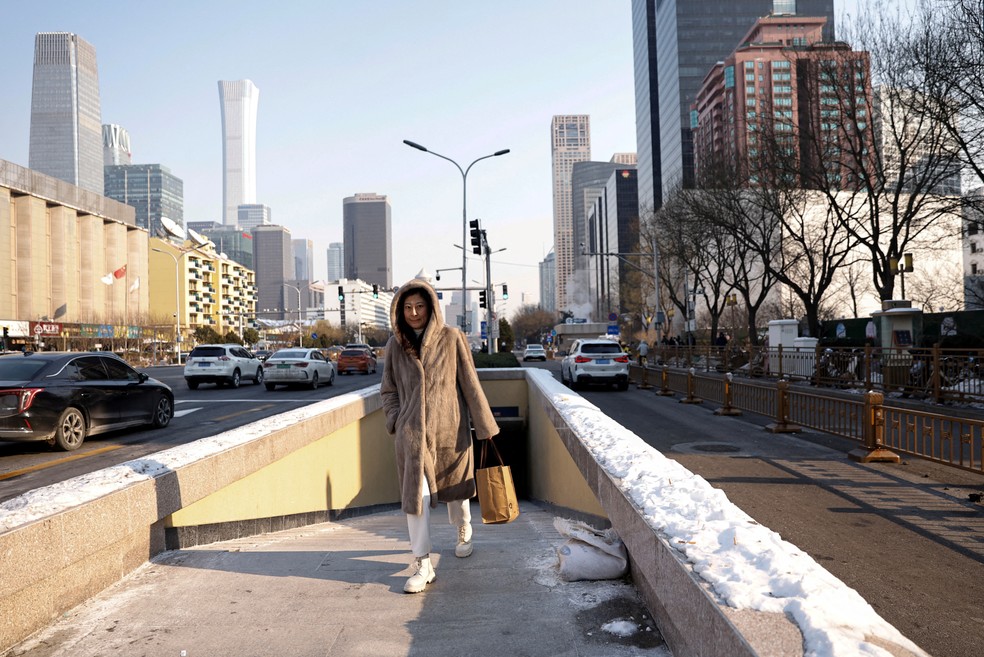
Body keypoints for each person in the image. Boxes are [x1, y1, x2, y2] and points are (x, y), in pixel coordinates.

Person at [380, 278, 500, 594]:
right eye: (407, 307)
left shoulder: (452, 338)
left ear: (431, 306)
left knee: (456, 492)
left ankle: (463, 529)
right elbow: (388, 390)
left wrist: (485, 428)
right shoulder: (395, 345)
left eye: (419, 306)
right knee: (415, 499)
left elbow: (470, 384)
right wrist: (395, 420)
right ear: (399, 311)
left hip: (450, 429)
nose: (414, 313)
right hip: (411, 436)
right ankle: (423, 564)